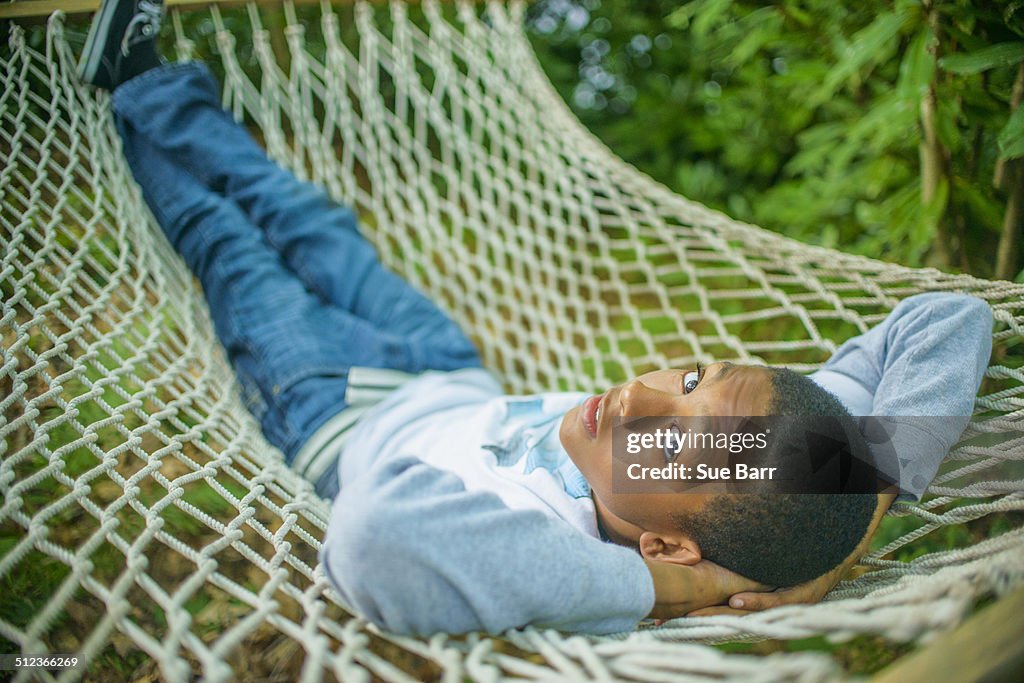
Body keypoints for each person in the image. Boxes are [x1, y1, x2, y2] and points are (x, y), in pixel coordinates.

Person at [78, 0, 994, 636]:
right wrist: (861, 513)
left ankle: (126, 92)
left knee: (226, 245)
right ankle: (163, 88)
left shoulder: (546, 546)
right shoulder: (789, 452)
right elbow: (945, 318)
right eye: (686, 380)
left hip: (331, 410)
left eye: (667, 451)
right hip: (445, 364)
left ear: (670, 542)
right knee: (311, 221)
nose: (636, 398)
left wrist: (666, 584)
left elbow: (375, 535)